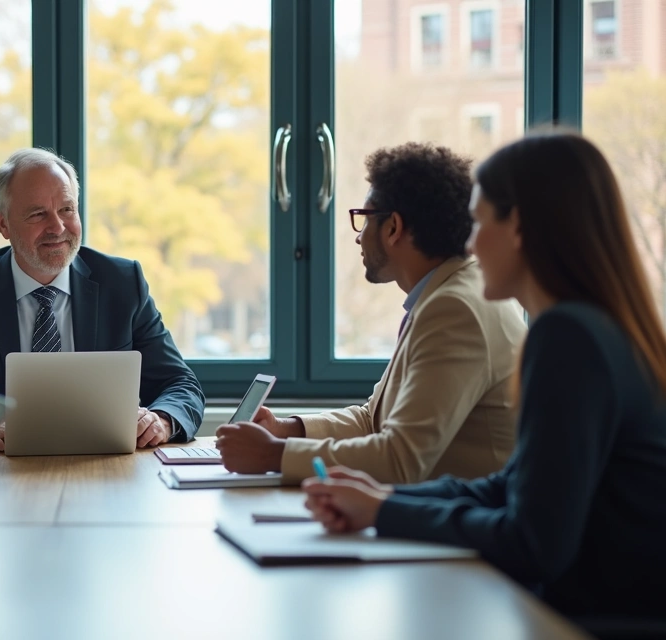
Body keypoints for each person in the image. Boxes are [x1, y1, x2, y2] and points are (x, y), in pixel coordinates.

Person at [303, 131, 666, 620]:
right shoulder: (595, 327)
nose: (469, 243)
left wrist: (385, 511)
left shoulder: (567, 338)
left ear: (517, 226)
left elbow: (533, 541)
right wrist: (380, 499)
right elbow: (508, 486)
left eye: (478, 222)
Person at [216, 143, 525, 484]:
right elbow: (373, 421)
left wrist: (272, 454)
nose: (359, 238)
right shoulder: (446, 294)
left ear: (393, 227)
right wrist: (287, 430)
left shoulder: (455, 309)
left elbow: (399, 459)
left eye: (363, 220)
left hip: (460, 531)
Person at [0, 147, 205, 450]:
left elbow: (180, 384)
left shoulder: (122, 283)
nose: (57, 227)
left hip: (106, 474)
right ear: (3, 224)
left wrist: (162, 420)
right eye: (38, 214)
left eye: (67, 209)